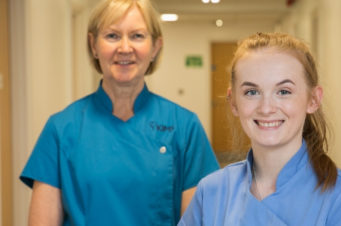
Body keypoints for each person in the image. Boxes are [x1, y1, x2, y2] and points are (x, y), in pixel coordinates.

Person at [20, 0, 219, 225]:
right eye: (112, 36)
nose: (125, 48)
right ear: (93, 45)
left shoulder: (184, 127)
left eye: (137, 36)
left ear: (155, 47)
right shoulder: (61, 129)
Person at [178, 32, 341, 226]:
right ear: (233, 102)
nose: (266, 108)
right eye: (252, 92)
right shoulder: (212, 192)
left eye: (283, 92)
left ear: (313, 100)